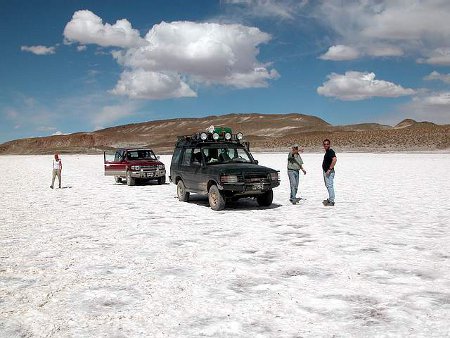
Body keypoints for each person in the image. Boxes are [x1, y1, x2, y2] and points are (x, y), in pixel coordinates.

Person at [322, 139, 337, 206]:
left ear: (329, 145)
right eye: (325, 144)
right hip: (326, 171)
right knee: (328, 185)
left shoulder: (330, 151)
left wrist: (329, 169)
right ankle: (330, 198)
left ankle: (331, 201)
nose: (326, 145)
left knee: (330, 186)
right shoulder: (327, 152)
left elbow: (334, 159)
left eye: (327, 144)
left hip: (329, 172)